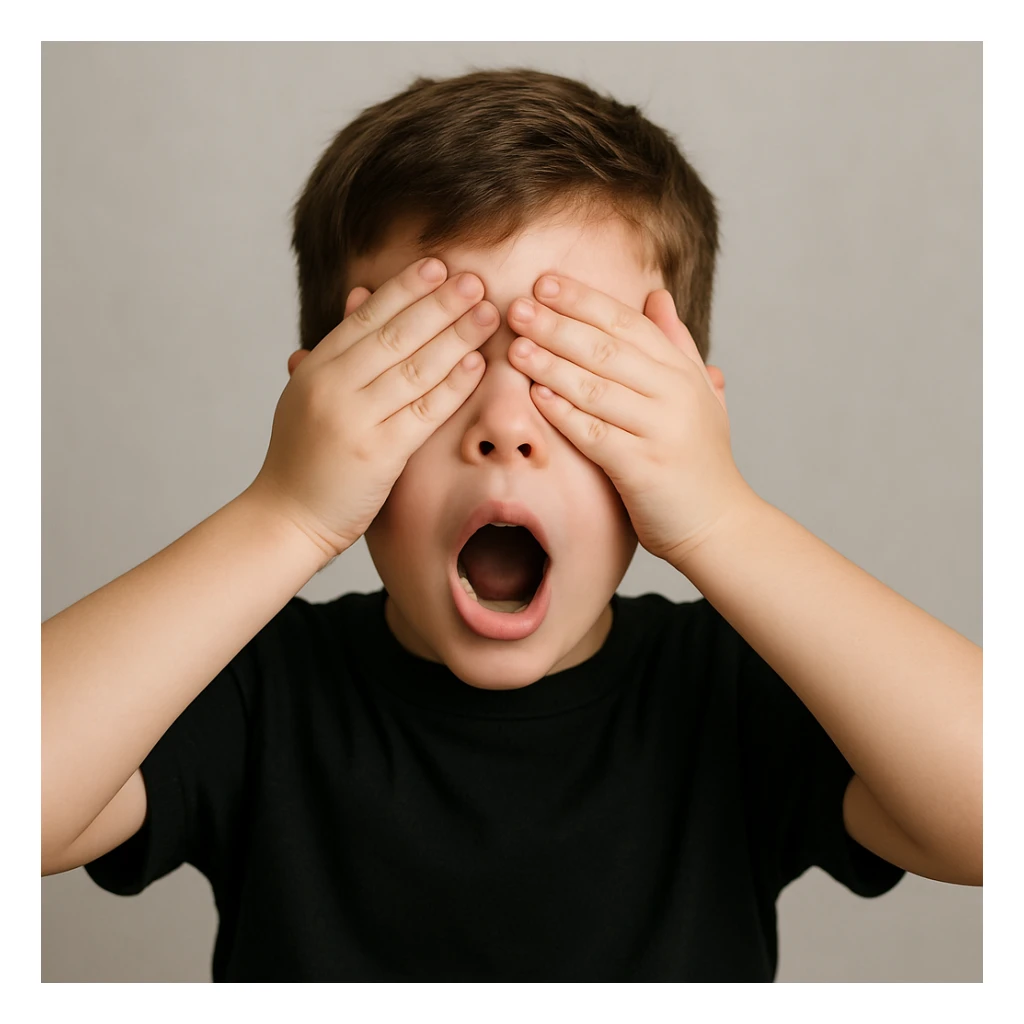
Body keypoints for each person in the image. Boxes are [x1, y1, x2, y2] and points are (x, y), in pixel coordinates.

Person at [41, 67, 982, 982]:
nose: (503, 427)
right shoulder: (254, 687)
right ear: (318, 419)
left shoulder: (736, 692)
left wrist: (724, 519)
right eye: (428, 365)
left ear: (691, 426)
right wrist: (283, 513)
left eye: (575, 372)